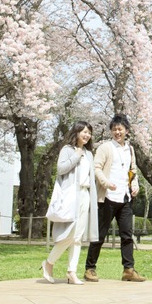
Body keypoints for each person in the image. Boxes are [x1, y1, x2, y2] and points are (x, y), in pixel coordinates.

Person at [83, 114, 146, 283]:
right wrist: (105, 182)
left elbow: (133, 171)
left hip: (125, 198)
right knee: (100, 234)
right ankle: (90, 269)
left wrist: (135, 185)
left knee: (127, 235)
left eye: (120, 129)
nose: (117, 132)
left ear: (126, 130)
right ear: (111, 131)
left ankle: (128, 270)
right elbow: (96, 168)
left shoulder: (130, 149)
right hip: (107, 198)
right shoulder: (105, 148)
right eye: (114, 129)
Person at [41, 121, 99, 285]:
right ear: (76, 133)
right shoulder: (67, 150)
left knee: (78, 237)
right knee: (70, 234)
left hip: (85, 194)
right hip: (71, 196)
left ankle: (71, 271)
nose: (86, 135)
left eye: (89, 132)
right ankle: (49, 262)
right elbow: (60, 169)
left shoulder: (89, 154)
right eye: (84, 132)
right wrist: (76, 155)